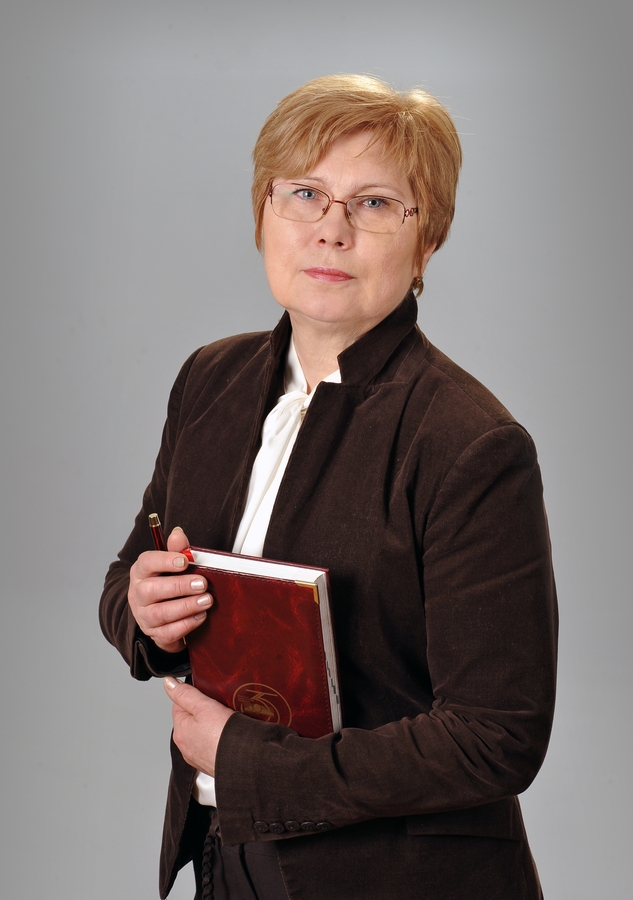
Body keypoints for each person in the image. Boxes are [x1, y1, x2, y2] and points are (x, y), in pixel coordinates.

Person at [100, 74, 557, 900]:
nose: (330, 229)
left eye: (374, 203)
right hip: (226, 858)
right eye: (304, 194)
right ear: (262, 214)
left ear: (426, 242)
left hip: (400, 881)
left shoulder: (470, 444)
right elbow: (128, 575)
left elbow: (496, 737)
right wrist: (143, 610)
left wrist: (247, 761)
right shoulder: (209, 380)